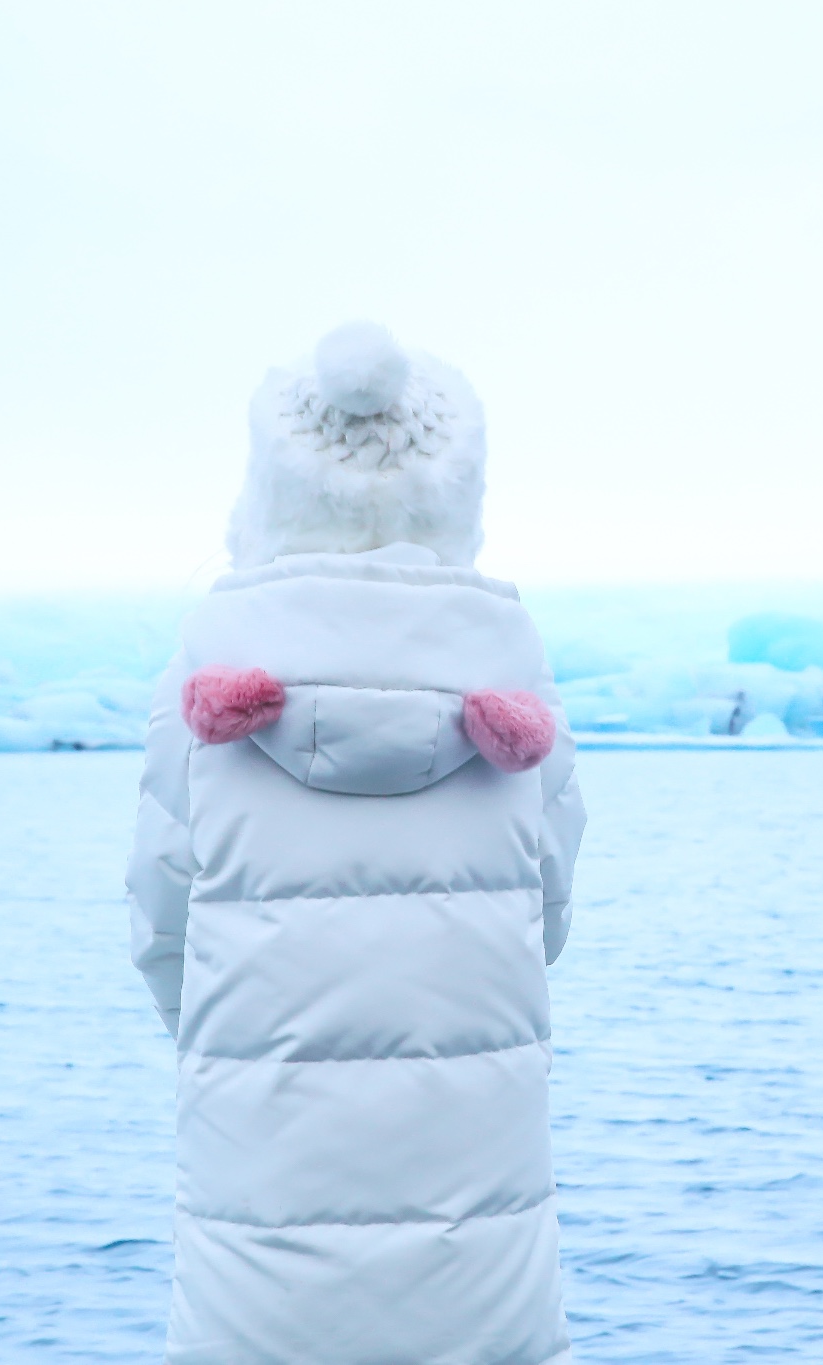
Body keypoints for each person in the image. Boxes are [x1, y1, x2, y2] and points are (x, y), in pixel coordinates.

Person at [126, 322, 586, 1365]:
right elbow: (544, 918)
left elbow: (161, 925)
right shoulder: (513, 680)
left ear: (268, 498)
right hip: (480, 1216)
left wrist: (257, 1050)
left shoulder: (203, 676)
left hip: (262, 1210)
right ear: (457, 497)